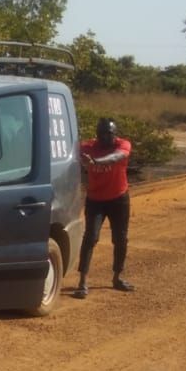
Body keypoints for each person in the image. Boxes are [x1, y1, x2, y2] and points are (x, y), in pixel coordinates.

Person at [74, 118, 136, 299]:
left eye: (109, 134)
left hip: (119, 199)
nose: (106, 137)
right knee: (90, 238)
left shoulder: (123, 144)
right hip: (95, 200)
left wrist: (95, 162)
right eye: (102, 134)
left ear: (115, 134)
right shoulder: (87, 147)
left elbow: (118, 156)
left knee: (120, 238)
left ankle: (118, 277)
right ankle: (82, 282)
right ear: (97, 134)